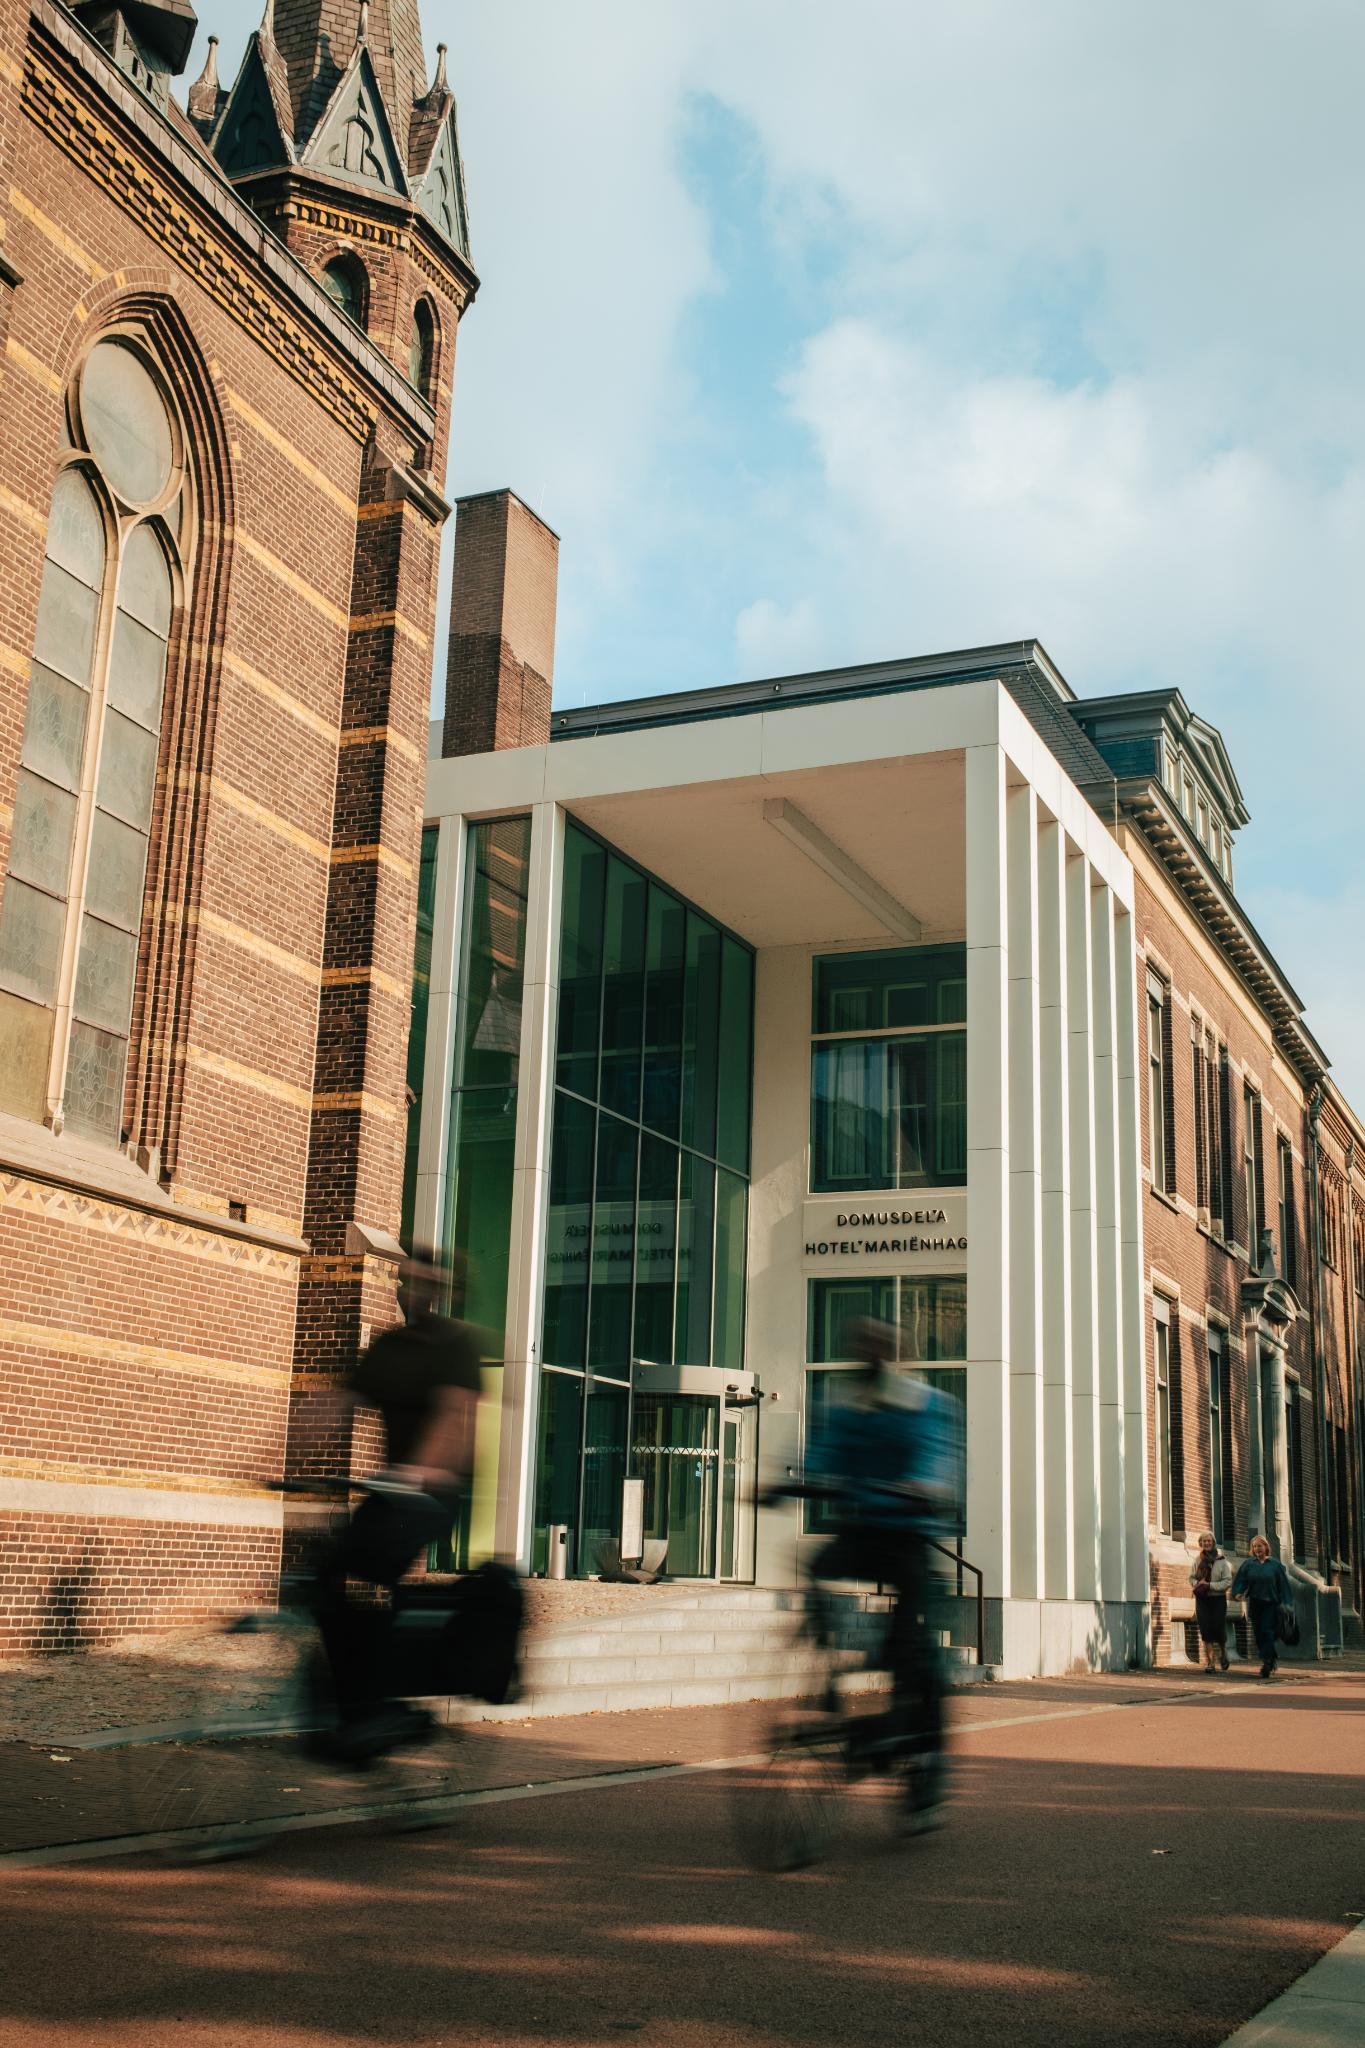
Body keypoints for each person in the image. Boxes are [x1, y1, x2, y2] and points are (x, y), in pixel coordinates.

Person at [314, 1250, 482, 1760]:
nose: (416, 1294)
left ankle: (388, 1708)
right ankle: (356, 1710)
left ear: (445, 1292)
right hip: (392, 1491)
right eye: (409, 1283)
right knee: (325, 1578)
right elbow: (342, 1403)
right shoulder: (389, 1345)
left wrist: (420, 1469)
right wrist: (287, 1450)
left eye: (428, 1285)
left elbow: (455, 1416)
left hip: (435, 1492)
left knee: (378, 1576)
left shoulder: (456, 1345)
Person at [802, 1317, 963, 1822]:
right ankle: (827, 1662)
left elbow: (935, 1458)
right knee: (815, 1566)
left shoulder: (926, 1404)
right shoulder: (847, 1406)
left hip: (908, 1537)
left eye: (875, 1347)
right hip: (863, 1531)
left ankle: (928, 1761)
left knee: (913, 1649)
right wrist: (795, 1482)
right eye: (860, 1346)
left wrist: (921, 1485)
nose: (866, 1355)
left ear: (895, 1355)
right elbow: (824, 1452)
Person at [1230, 1535, 1292, 1680]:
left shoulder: (1275, 1565)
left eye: (1260, 1546)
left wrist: (1287, 1603)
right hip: (1255, 1602)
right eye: (1255, 1546)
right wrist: (1238, 1592)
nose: (1257, 1549)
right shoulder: (1249, 1564)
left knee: (1267, 1631)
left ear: (1266, 1547)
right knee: (1258, 1635)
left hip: (1271, 1603)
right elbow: (1241, 1580)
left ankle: (1267, 1662)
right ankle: (1270, 1657)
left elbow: (1283, 1585)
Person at [1189, 1532, 1232, 1672]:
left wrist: (1210, 1585)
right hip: (1202, 1600)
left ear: (1213, 1542)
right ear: (1200, 1543)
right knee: (1206, 1630)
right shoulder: (1197, 1560)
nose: (1206, 1543)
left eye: (1209, 1541)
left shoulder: (1222, 1561)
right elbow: (1191, 1578)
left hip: (1218, 1599)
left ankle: (1223, 1653)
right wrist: (1198, 1584)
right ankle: (1210, 1663)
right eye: (1204, 1541)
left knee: (1218, 1629)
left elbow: (1227, 1581)